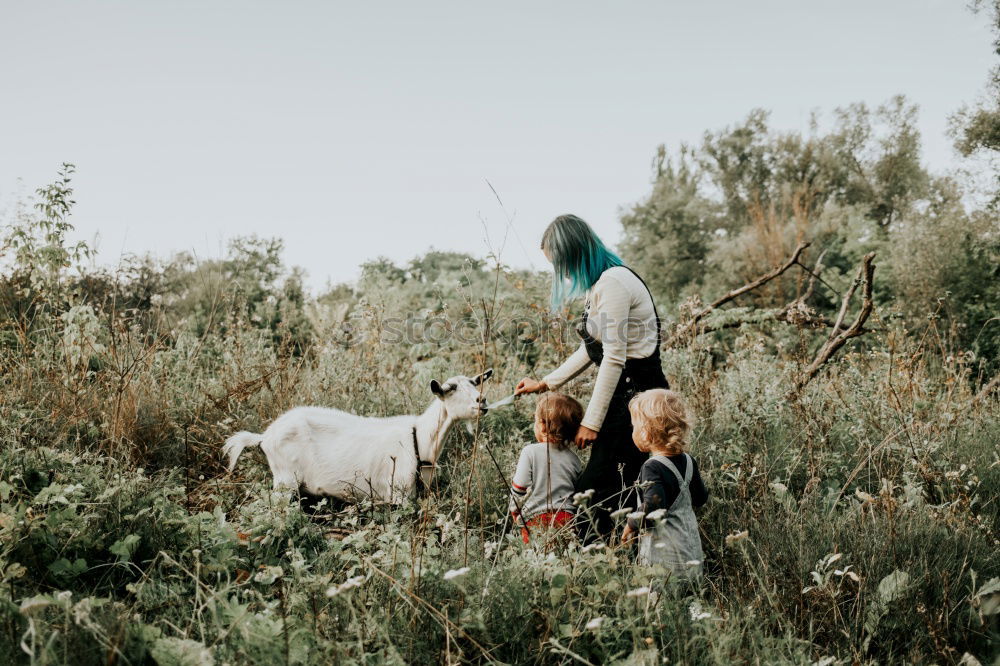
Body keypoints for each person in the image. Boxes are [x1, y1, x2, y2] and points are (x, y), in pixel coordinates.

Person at [515, 214, 669, 541]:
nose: (563, 273)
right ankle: (625, 558)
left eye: (562, 264)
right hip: (628, 399)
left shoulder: (613, 283)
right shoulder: (600, 284)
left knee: (594, 496)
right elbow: (591, 350)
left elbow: (613, 356)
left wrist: (592, 423)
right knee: (620, 489)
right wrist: (545, 382)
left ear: (576, 252)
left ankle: (608, 563)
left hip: (638, 401)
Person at [621, 389, 707, 581]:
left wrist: (632, 524)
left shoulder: (652, 467)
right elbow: (701, 498)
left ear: (647, 432)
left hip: (664, 560)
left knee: (660, 606)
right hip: (691, 552)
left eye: (634, 426)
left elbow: (654, 507)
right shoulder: (689, 461)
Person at [509, 393, 584, 544]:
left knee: (537, 561)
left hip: (535, 519)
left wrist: (514, 510)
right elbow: (578, 493)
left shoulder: (529, 452)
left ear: (542, 425)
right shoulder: (574, 459)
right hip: (566, 519)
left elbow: (519, 488)